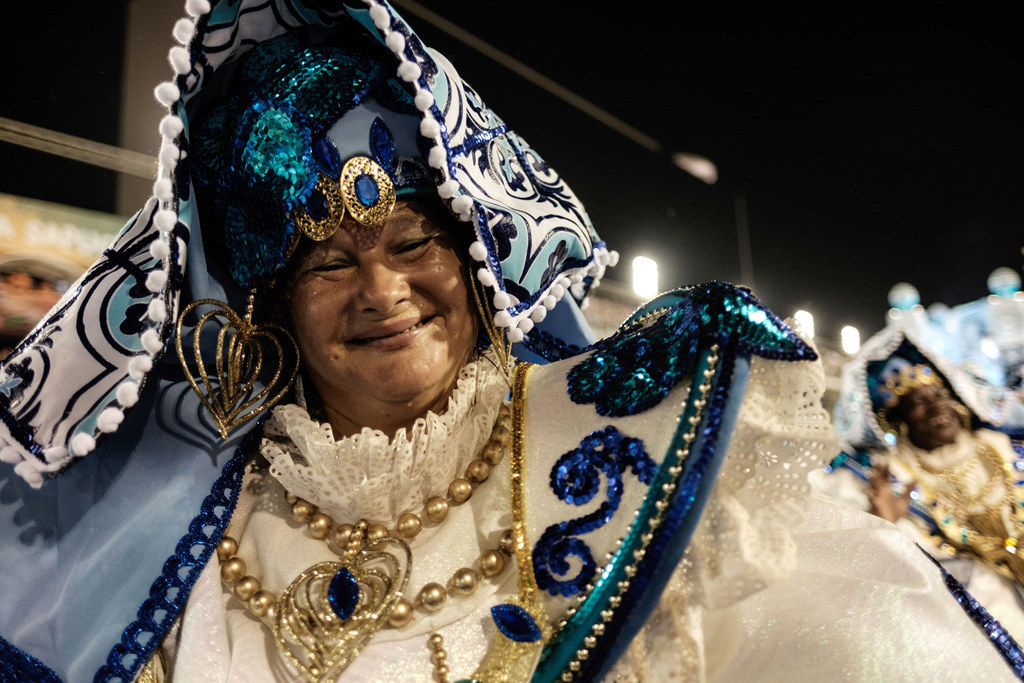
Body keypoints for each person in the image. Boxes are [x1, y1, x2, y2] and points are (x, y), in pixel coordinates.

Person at [1, 2, 1022, 681]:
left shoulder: (651, 459)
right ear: (271, 305)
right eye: (324, 263)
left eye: (412, 240)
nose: (382, 289)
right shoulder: (187, 554)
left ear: (480, 251)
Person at [820, 341, 1024, 641]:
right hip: (981, 611)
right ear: (898, 420)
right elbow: (872, 570)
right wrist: (882, 523)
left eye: (940, 395)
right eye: (917, 402)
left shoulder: (1004, 450)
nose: (936, 406)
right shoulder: (887, 477)